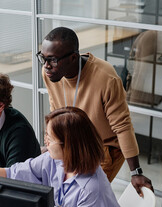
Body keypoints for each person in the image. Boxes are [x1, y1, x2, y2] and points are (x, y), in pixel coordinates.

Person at [37, 26, 153, 195]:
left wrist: (135, 172)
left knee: (82, 194)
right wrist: (51, 144)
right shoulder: (50, 73)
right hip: (72, 142)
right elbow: (56, 111)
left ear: (73, 58)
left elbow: (122, 126)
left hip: (104, 147)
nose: (46, 66)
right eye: (43, 58)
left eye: (52, 60)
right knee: (55, 189)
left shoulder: (105, 77)